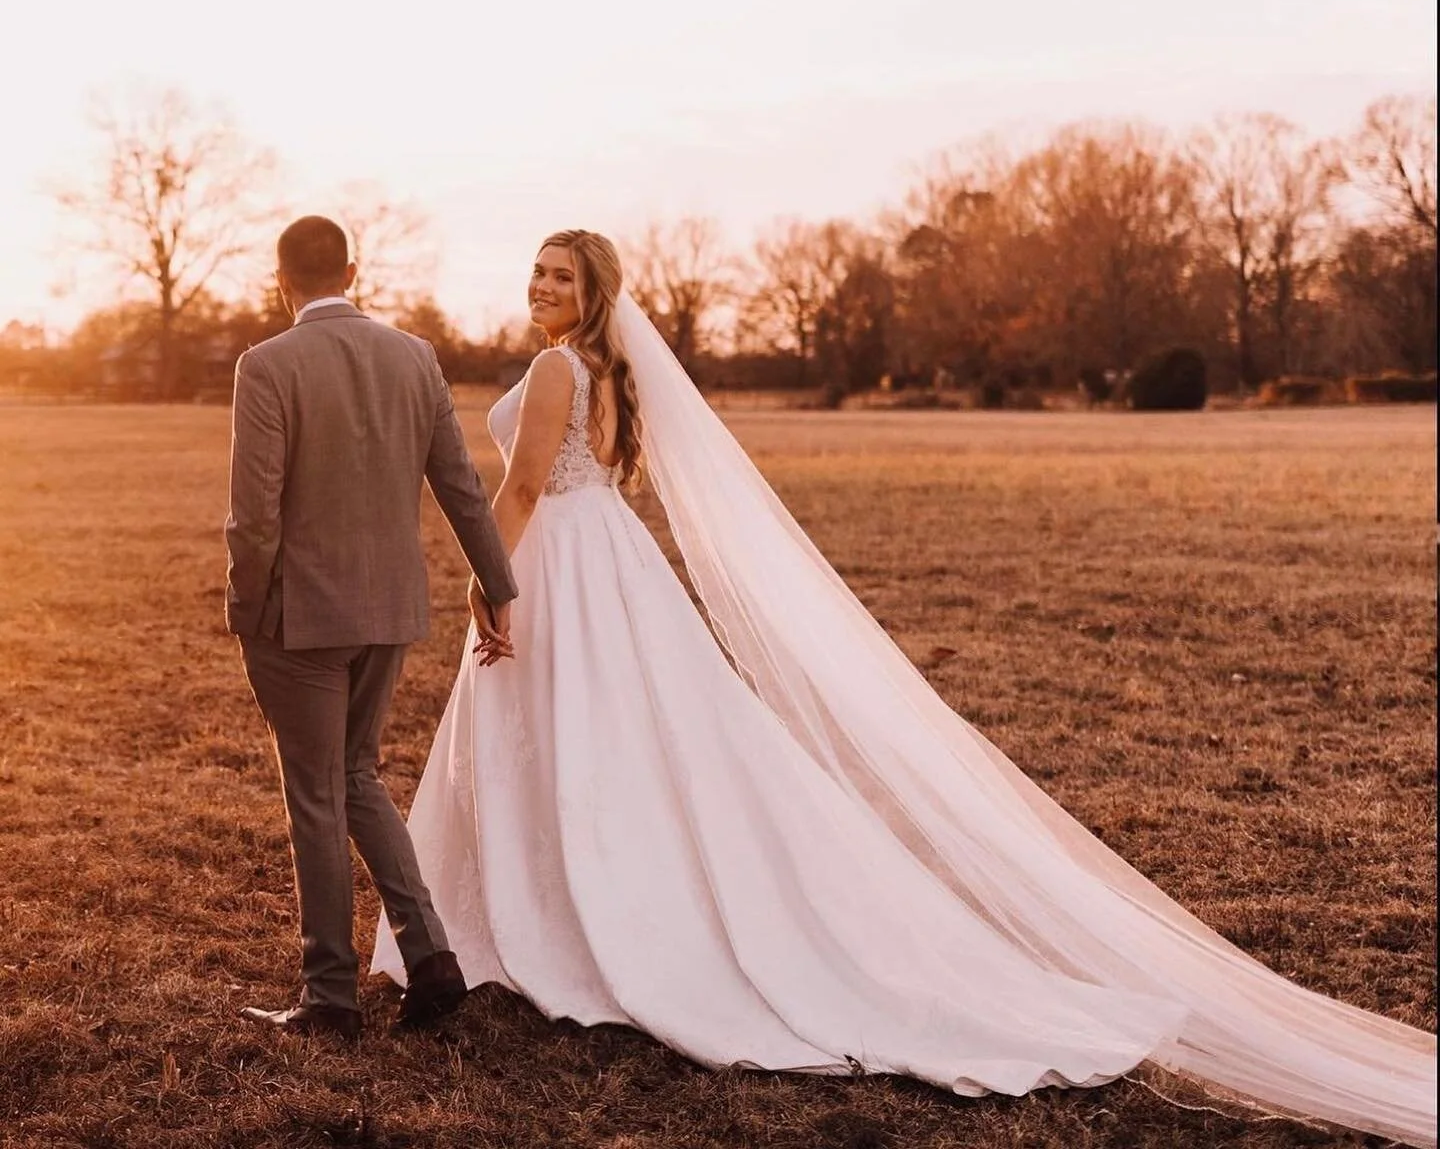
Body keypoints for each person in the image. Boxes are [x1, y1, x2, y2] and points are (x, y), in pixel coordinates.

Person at [374, 228, 1436, 1145]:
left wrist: (488, 580)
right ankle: (555, 906)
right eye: (535, 272)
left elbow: (518, 486)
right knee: (606, 740)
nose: (539, 287)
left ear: (594, 291)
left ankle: (550, 918)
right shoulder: (612, 370)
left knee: (569, 737)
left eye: (559, 275)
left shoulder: (561, 367)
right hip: (611, 560)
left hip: (562, 562)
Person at [226, 215, 517, 1039]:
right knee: (355, 776)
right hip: (389, 609)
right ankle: (431, 961)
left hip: (301, 621)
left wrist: (246, 611)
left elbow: (253, 518)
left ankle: (330, 998)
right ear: (353, 270)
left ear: (280, 277)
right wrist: (500, 584)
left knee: (317, 795)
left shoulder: (266, 365)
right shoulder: (414, 356)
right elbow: (460, 484)